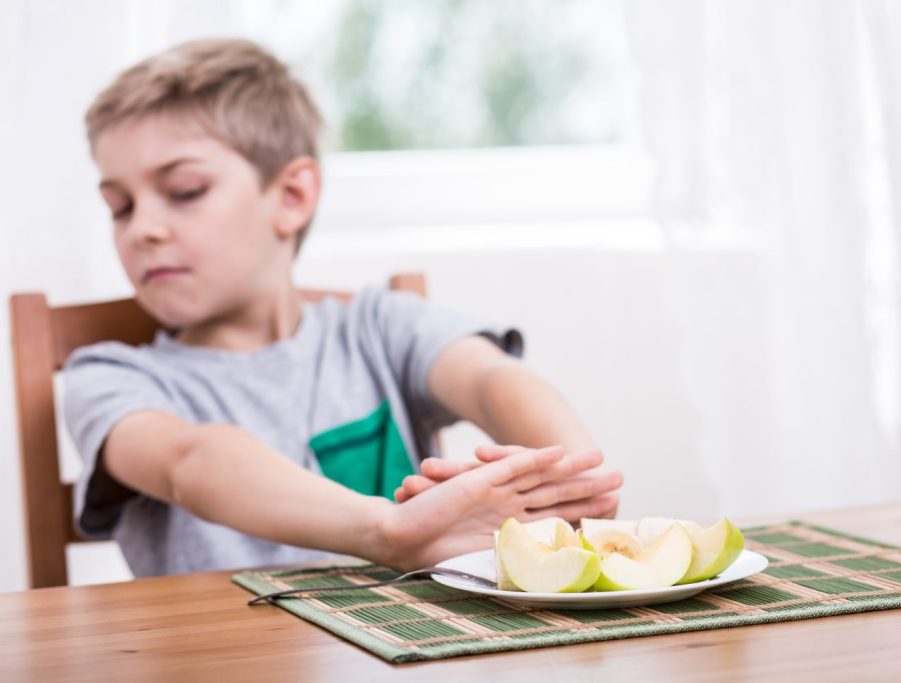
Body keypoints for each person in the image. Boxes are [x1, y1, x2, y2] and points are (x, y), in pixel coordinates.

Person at [62, 38, 622, 578]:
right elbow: (191, 462)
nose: (143, 230)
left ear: (291, 197)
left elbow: (492, 380)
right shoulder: (107, 378)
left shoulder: (382, 325)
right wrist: (389, 530)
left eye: (184, 191)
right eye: (120, 207)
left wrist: (571, 488)